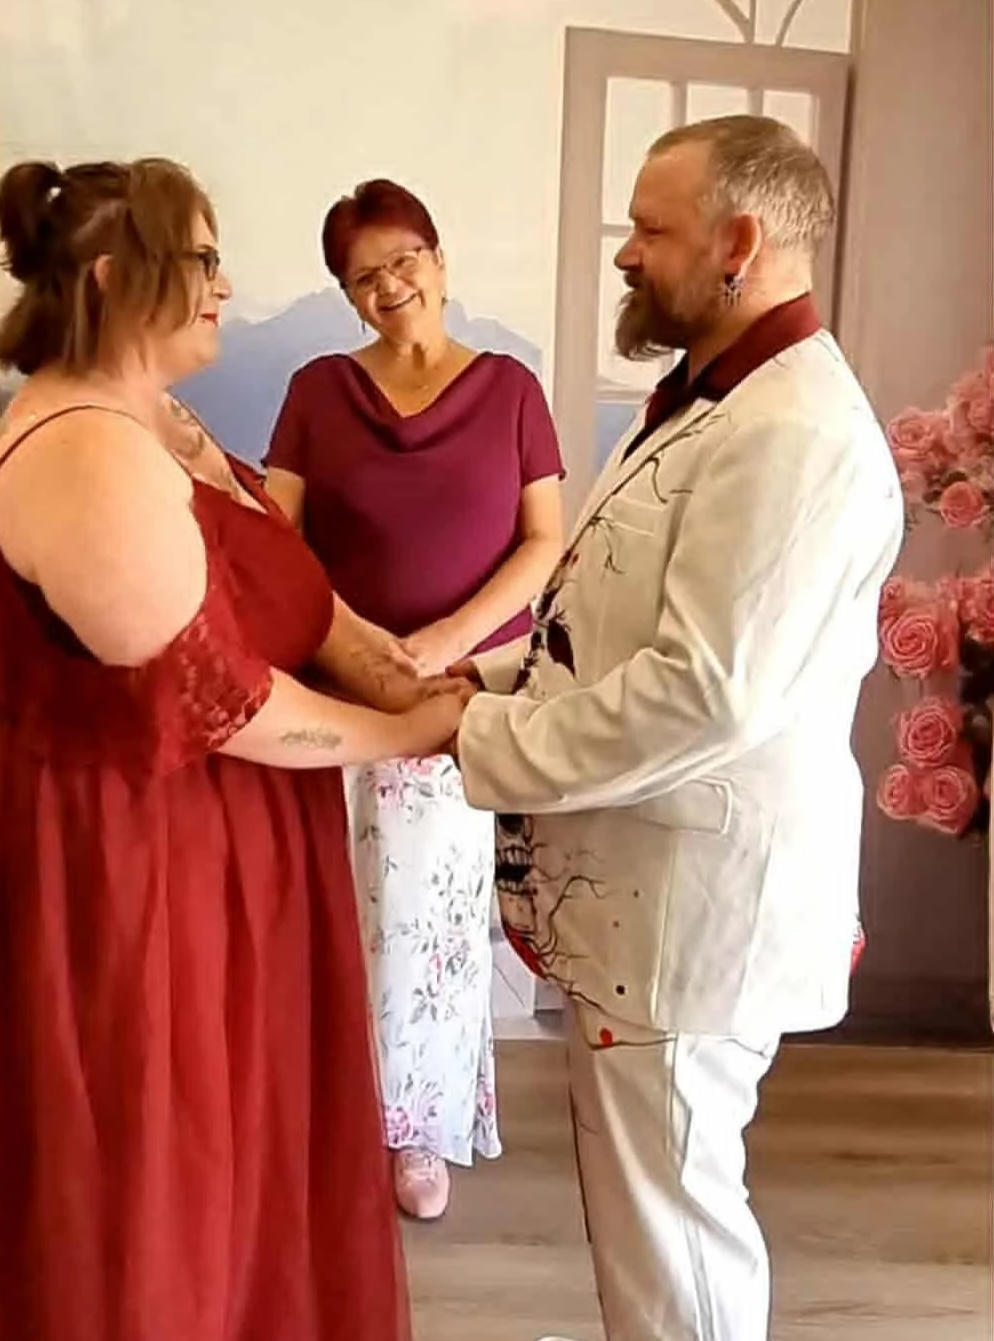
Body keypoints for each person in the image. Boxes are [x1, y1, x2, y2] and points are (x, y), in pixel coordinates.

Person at [0, 157, 472, 1341]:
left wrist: (399, 670)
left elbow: (288, 597)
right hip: (124, 856)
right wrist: (402, 730)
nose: (223, 285)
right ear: (115, 278)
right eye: (202, 260)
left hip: (207, 838)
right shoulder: (89, 455)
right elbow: (217, 703)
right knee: (142, 1160)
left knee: (221, 1143)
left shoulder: (158, 421)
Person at [451, 117, 904, 1340]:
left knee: (678, 1237)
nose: (626, 257)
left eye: (651, 231)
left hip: (695, 916)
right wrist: (481, 686)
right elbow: (604, 628)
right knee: (649, 1218)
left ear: (739, 244)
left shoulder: (793, 435)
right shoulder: (712, 403)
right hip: (645, 895)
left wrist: (468, 743)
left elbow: (707, 692)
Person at [264, 178, 565, 1220]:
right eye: (364, 275)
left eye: (404, 260)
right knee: (326, 919)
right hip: (328, 693)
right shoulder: (315, 391)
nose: (390, 285)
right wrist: (351, 642)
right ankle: (326, 1123)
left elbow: (544, 543)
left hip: (452, 697)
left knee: (429, 927)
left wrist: (440, 642)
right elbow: (276, 540)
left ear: (439, 261)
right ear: (347, 295)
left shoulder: (513, 391)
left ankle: (418, 1132)